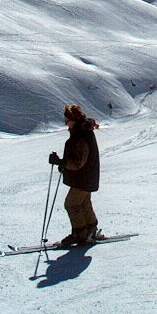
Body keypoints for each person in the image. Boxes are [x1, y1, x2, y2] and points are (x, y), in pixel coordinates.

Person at [49, 104, 100, 246]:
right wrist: (63, 164)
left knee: (71, 204)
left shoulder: (81, 135)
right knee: (83, 203)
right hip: (87, 177)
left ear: (73, 119)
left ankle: (80, 234)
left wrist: (62, 162)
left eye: (67, 119)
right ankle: (90, 230)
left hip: (83, 179)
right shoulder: (82, 132)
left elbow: (78, 162)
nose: (65, 122)